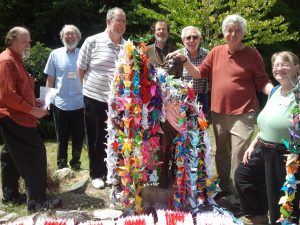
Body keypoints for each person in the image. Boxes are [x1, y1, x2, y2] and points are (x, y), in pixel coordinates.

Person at [167, 14, 274, 199]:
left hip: (244, 112)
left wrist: (277, 93)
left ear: (243, 33)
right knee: (222, 153)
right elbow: (199, 74)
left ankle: (240, 196)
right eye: (229, 30)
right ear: (224, 33)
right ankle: (225, 189)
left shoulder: (252, 54)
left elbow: (262, 81)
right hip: (218, 111)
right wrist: (185, 61)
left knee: (239, 154)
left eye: (237, 31)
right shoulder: (215, 52)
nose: (233, 34)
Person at [0, 26, 62, 211]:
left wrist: (33, 101)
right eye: (24, 41)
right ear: (11, 40)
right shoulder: (6, 61)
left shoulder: (15, 59)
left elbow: (16, 91)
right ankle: (37, 201)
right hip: (16, 118)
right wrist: (31, 110)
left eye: (29, 41)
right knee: (35, 155)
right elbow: (7, 96)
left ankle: (10, 194)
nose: (28, 44)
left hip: (15, 116)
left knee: (9, 155)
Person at [235, 51, 300, 225]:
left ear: (296, 68)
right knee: (243, 177)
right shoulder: (276, 91)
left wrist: (295, 152)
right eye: (276, 65)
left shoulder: (299, 93)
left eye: (284, 64)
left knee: (280, 197)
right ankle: (258, 217)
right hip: (262, 147)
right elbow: (266, 123)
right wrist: (251, 146)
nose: (279, 68)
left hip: (285, 154)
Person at [77, 7, 126, 189]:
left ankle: (112, 172)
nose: (121, 25)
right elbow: (81, 69)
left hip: (119, 102)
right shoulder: (93, 41)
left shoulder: (127, 46)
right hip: (95, 97)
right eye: (118, 20)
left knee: (116, 138)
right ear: (108, 21)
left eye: (124, 21)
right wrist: (90, 91)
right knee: (96, 137)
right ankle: (96, 173)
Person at [44, 24, 84, 170]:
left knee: (79, 136)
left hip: (80, 103)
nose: (70, 37)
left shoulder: (84, 54)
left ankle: (76, 163)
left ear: (78, 37)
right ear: (62, 37)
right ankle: (61, 165)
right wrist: (46, 100)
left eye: (72, 34)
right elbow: (50, 78)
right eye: (66, 34)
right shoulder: (55, 54)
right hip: (60, 103)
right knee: (61, 136)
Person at [179, 26, 210, 115]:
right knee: (182, 127)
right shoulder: (177, 55)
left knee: (201, 127)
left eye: (195, 37)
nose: (192, 40)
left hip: (202, 97)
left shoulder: (208, 55)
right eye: (188, 38)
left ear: (200, 40)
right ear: (183, 40)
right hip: (182, 98)